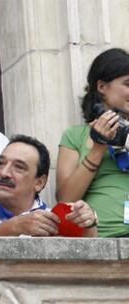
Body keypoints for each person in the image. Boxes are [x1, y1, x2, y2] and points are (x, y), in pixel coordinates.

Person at [0, 134, 97, 237]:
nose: (4, 173)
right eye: (1, 164)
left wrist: (87, 225)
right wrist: (15, 227)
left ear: (39, 183)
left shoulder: (50, 218)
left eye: (18, 167)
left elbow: (87, 255)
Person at [56, 48, 129, 238]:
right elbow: (65, 200)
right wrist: (98, 148)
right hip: (100, 239)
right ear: (102, 87)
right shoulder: (75, 135)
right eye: (128, 84)